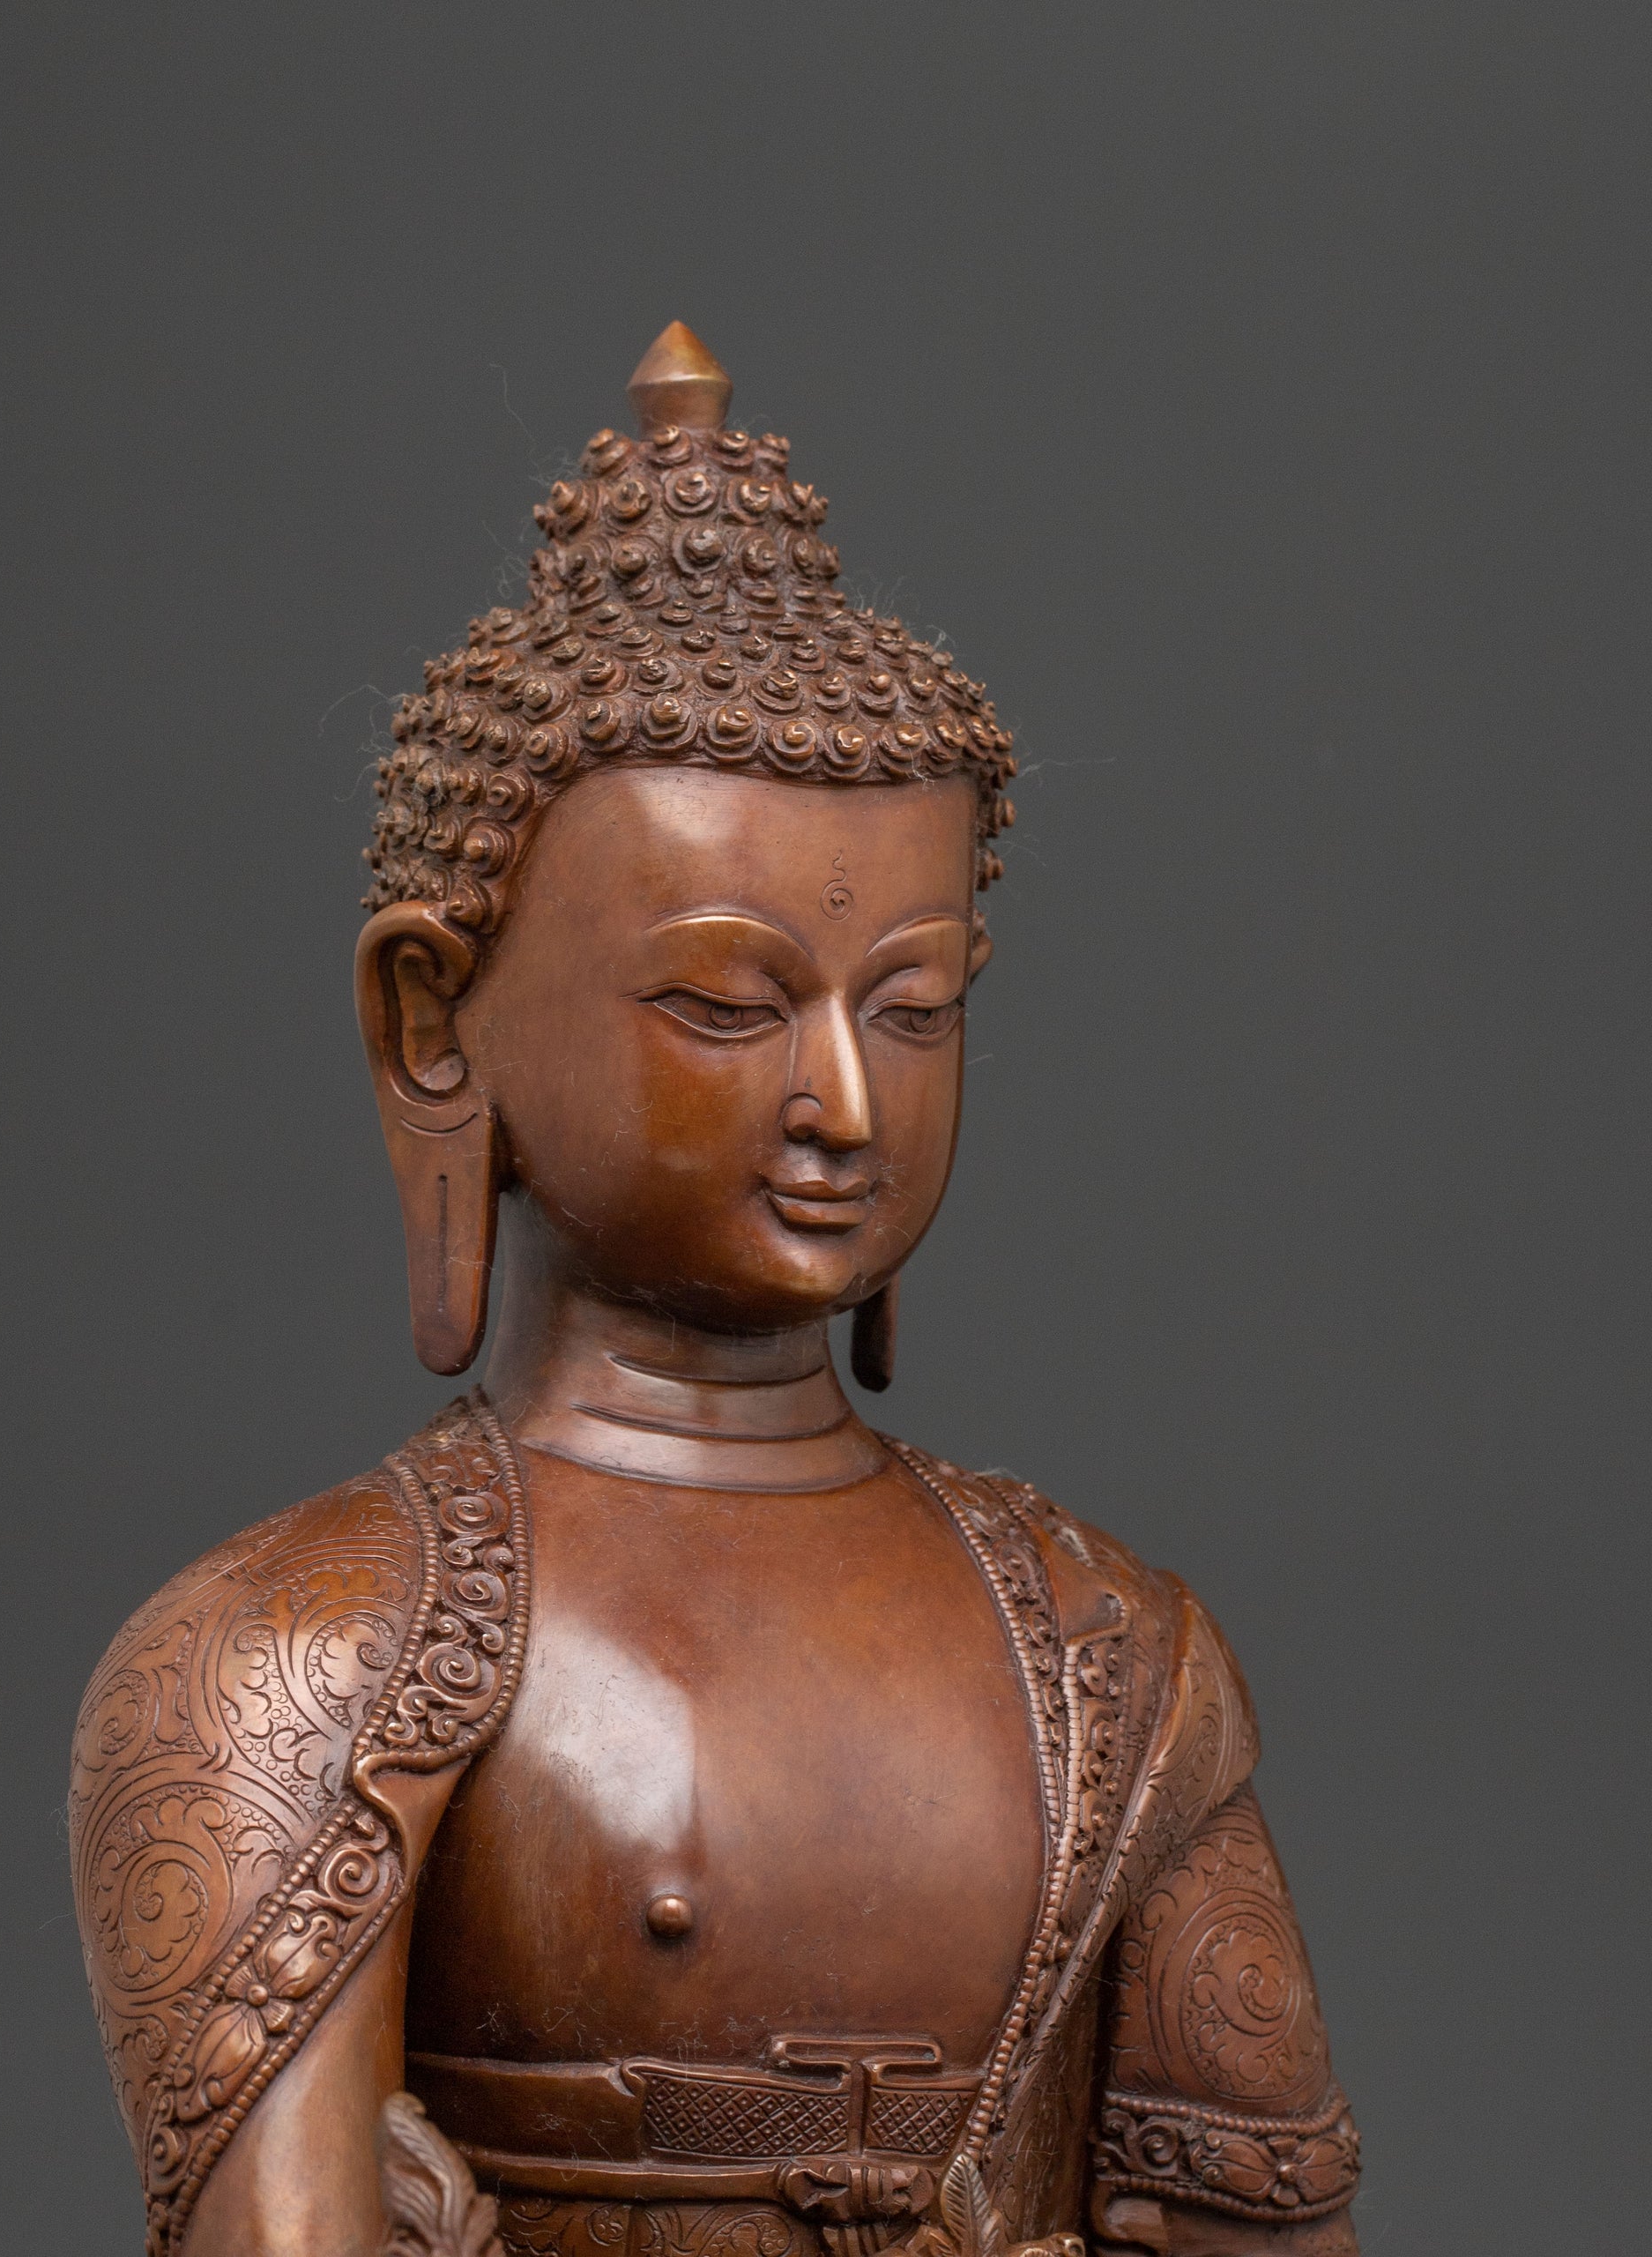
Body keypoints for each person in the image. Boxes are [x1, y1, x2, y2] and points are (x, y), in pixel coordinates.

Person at [71, 326, 1360, 2257]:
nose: (845, 1101)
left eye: (911, 1006)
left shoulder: (1119, 1656)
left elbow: (1272, 2229)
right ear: (434, 1022)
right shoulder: (296, 1659)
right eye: (727, 1003)